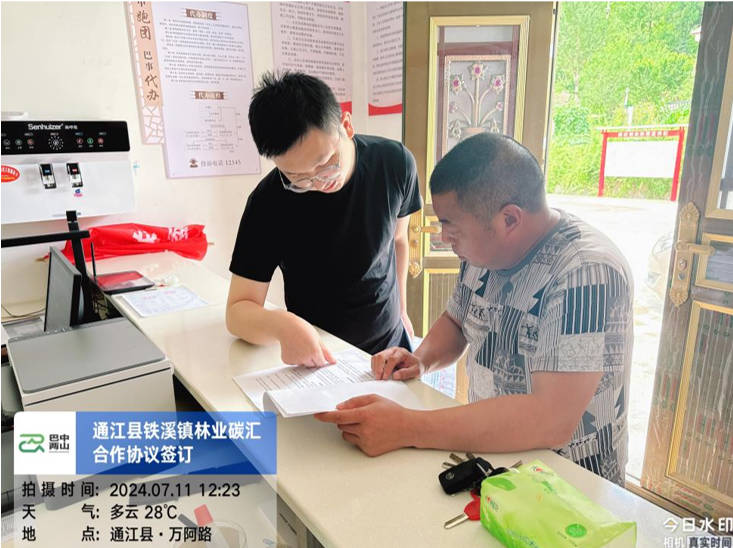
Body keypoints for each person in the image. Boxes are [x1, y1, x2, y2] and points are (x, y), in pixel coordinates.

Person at [316, 132, 633, 486]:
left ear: (509, 220)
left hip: (570, 482)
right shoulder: (485, 251)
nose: (443, 238)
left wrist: (407, 427)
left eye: (452, 228)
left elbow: (551, 421)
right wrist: (420, 359)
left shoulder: (585, 272)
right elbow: (458, 321)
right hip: (498, 458)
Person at [226, 72, 422, 366]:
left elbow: (399, 240)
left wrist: (402, 309)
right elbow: (237, 312)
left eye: (326, 163)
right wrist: (283, 325)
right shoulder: (268, 203)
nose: (318, 182)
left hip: (389, 347)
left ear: (346, 125)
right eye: (297, 177)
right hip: (321, 361)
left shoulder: (395, 163)